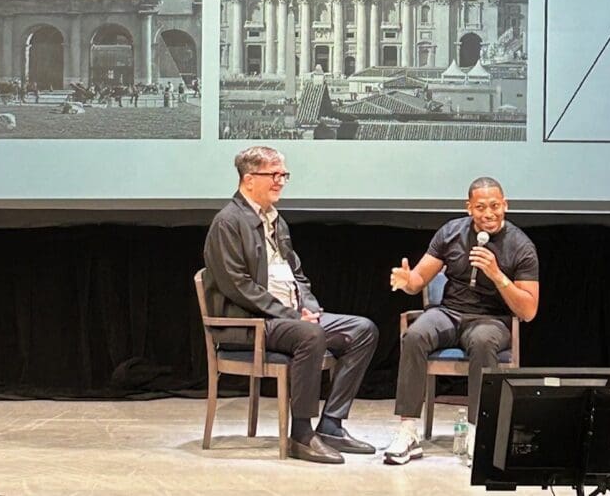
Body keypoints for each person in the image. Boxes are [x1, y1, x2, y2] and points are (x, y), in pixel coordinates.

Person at [203, 146, 379, 464]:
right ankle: (301, 434)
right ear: (248, 179)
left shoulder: (276, 221)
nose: (281, 181)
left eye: (283, 174)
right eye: (274, 174)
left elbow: (297, 274)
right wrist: (293, 316)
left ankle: (331, 425)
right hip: (249, 323)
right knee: (309, 336)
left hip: (290, 318)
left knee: (362, 329)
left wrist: (310, 309)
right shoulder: (227, 222)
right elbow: (238, 285)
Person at [384, 177, 539, 465]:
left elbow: (529, 310)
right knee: (415, 335)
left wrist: (497, 274)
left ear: (505, 205)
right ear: (469, 208)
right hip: (449, 313)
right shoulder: (451, 233)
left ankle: (477, 431)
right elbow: (419, 280)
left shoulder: (521, 246)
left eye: (495, 206)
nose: (488, 213)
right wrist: (407, 282)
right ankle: (408, 431)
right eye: (480, 207)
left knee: (482, 342)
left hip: (491, 319)